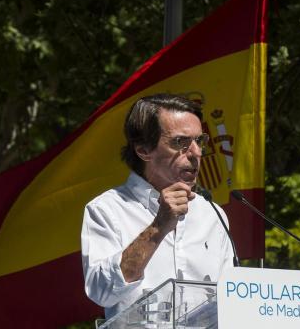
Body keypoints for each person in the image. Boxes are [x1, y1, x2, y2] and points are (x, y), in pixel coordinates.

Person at [81, 93, 234, 318]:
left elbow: (230, 301)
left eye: (199, 141)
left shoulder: (213, 214)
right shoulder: (107, 209)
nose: (197, 153)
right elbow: (101, 291)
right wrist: (158, 226)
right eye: (181, 142)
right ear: (143, 149)